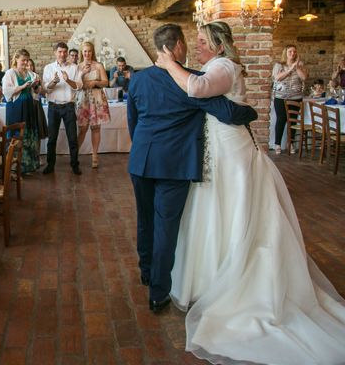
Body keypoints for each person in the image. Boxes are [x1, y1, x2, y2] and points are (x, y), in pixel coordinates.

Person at [156, 21, 345, 365]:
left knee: (232, 207)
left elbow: (197, 89)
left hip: (232, 151)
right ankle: (211, 276)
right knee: (214, 208)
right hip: (219, 146)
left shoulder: (224, 66)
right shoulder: (215, 64)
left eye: (201, 41)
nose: (197, 46)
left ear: (216, 45)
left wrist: (169, 62)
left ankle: (234, 279)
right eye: (196, 42)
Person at [127, 23, 257, 315]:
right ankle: (158, 293)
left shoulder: (137, 80)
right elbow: (227, 112)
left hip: (142, 160)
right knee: (166, 226)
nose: (189, 48)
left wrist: (142, 150)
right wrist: (252, 112)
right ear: (175, 47)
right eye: (186, 43)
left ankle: (146, 269)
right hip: (175, 164)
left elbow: (133, 122)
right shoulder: (191, 81)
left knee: (145, 218)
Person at [42, 42, 83, 175]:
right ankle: (50, 165)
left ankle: (75, 165)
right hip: (53, 107)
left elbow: (78, 86)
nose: (63, 54)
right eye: (60, 52)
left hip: (68, 106)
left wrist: (68, 80)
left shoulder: (74, 67)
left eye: (65, 52)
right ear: (55, 52)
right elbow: (45, 89)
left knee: (72, 138)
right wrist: (54, 81)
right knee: (52, 138)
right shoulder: (48, 68)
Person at [2, 49, 40, 173]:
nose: (25, 63)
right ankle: (14, 168)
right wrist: (23, 86)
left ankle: (28, 166)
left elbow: (36, 92)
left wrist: (35, 85)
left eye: (27, 60)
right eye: (23, 60)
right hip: (16, 107)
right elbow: (6, 91)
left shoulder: (29, 73)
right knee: (16, 135)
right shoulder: (10, 73)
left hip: (28, 106)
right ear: (16, 59)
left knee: (28, 133)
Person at [76, 41, 110, 169]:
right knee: (83, 129)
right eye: (85, 51)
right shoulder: (77, 66)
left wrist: (95, 82)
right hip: (83, 99)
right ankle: (76, 154)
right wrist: (83, 74)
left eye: (89, 51)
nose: (87, 53)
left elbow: (106, 82)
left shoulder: (99, 65)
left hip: (96, 98)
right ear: (81, 52)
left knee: (96, 128)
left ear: (92, 52)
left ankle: (95, 155)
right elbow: (75, 85)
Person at [272, 45, 308, 154]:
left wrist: (296, 67)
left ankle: (290, 143)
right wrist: (290, 69)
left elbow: (304, 78)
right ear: (285, 53)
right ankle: (277, 144)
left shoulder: (300, 65)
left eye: (294, 51)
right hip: (281, 97)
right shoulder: (279, 65)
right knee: (281, 119)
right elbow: (277, 78)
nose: (292, 53)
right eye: (290, 51)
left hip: (296, 98)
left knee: (293, 120)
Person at [27, 58, 48, 161]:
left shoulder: (37, 77)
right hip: (28, 104)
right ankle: (30, 158)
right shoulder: (23, 77)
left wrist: (39, 87)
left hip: (36, 104)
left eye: (31, 65)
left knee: (38, 131)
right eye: (27, 65)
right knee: (30, 132)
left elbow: (42, 92)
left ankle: (37, 156)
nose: (30, 67)